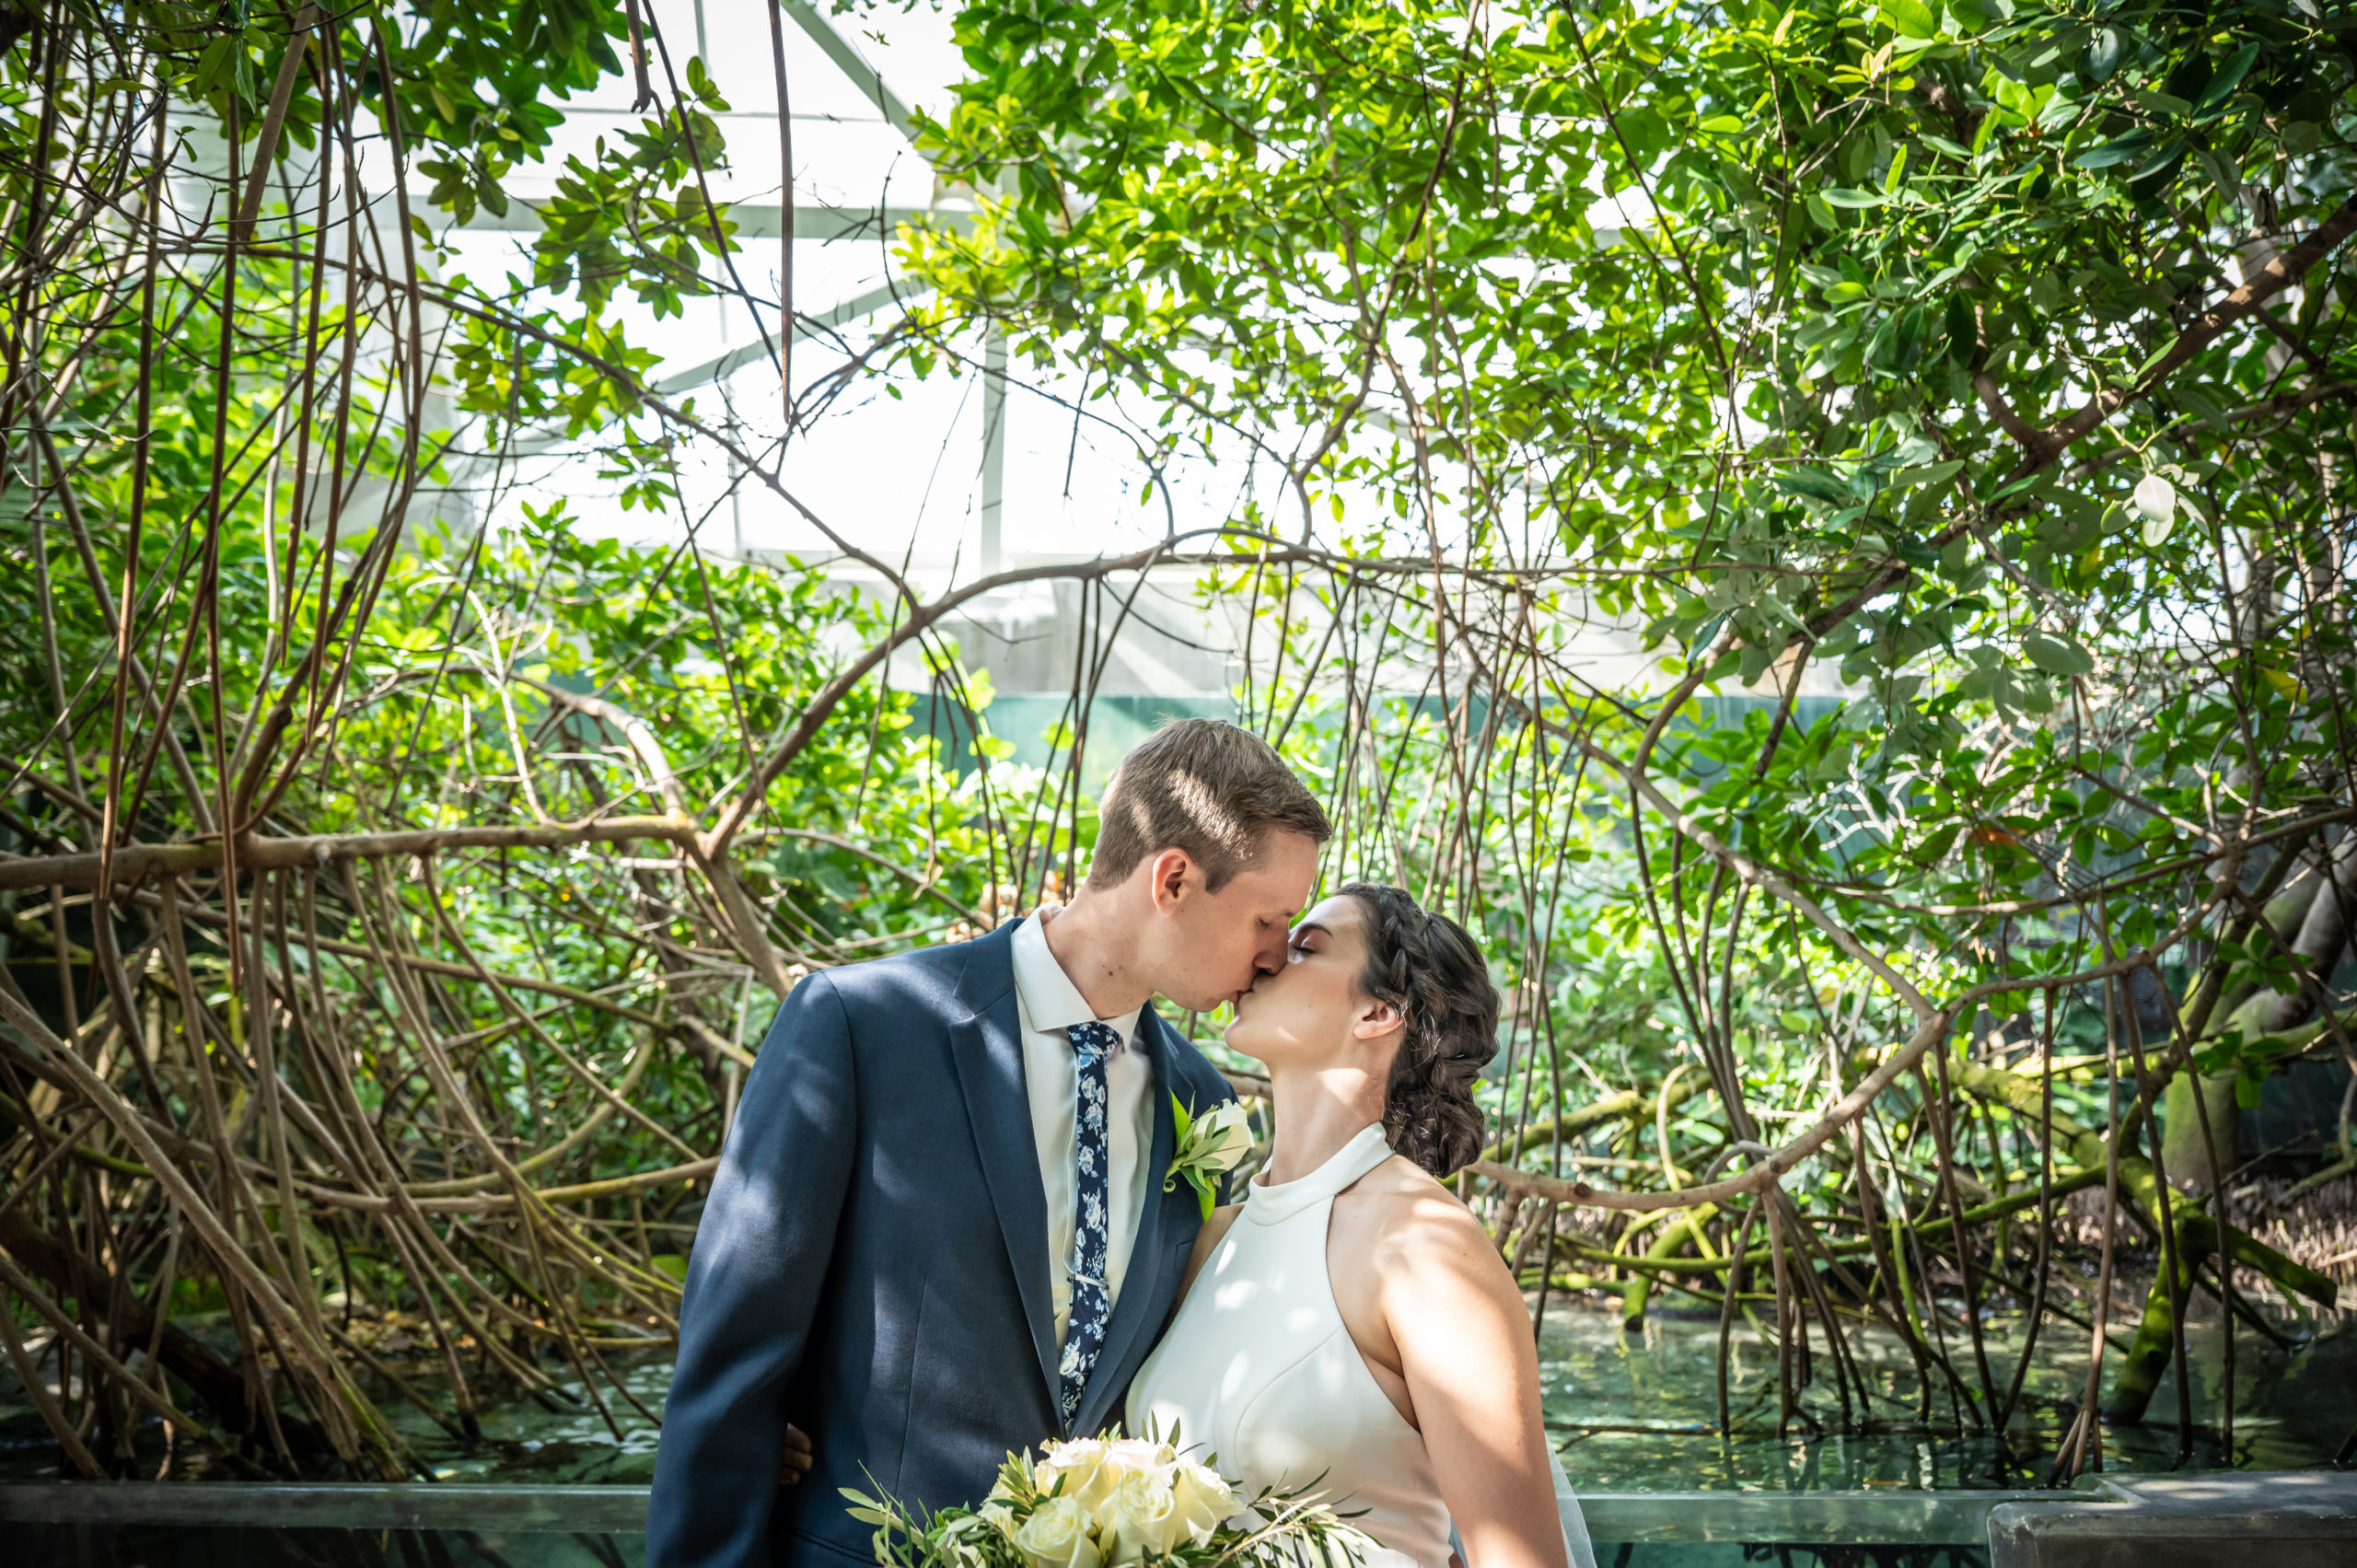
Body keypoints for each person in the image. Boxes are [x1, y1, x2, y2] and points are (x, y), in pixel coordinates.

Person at [647, 719, 1332, 1568]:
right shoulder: (862, 1028)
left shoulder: (1203, 1099)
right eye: (1270, 918)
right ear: (1176, 879)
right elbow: (731, 1366)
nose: (1274, 958)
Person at [1128, 882, 1596, 1568]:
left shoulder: (1427, 1249)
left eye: (1304, 947)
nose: (1262, 959)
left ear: (1378, 1011)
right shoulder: (1211, 1241)